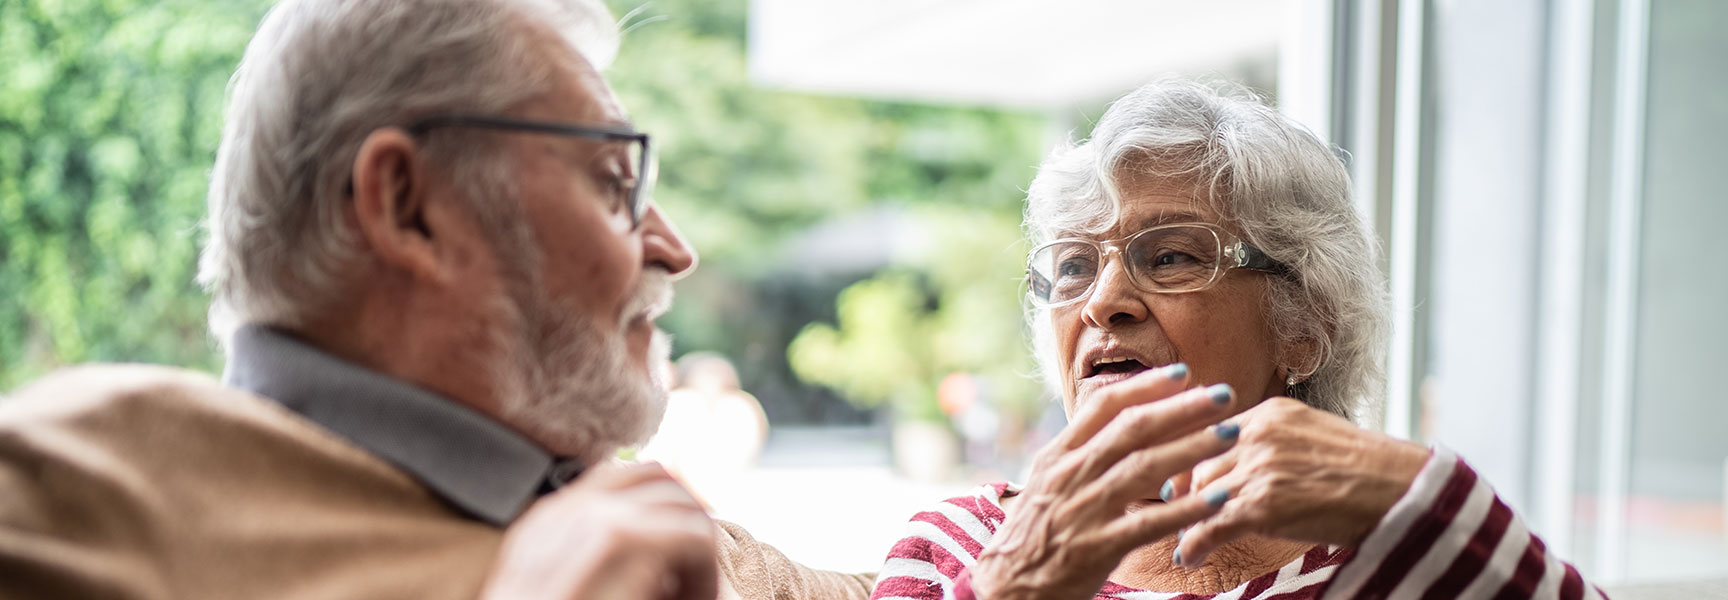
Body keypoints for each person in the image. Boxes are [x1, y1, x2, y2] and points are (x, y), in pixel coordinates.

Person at [0, 0, 869, 598]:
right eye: (613, 182)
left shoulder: (654, 534)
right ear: (408, 206)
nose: (676, 252)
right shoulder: (68, 494)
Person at [871, 80, 1607, 599]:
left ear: (1305, 326)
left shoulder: (1403, 560)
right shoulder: (964, 547)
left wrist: (1414, 496)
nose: (1103, 302)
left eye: (1171, 256)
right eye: (1072, 267)